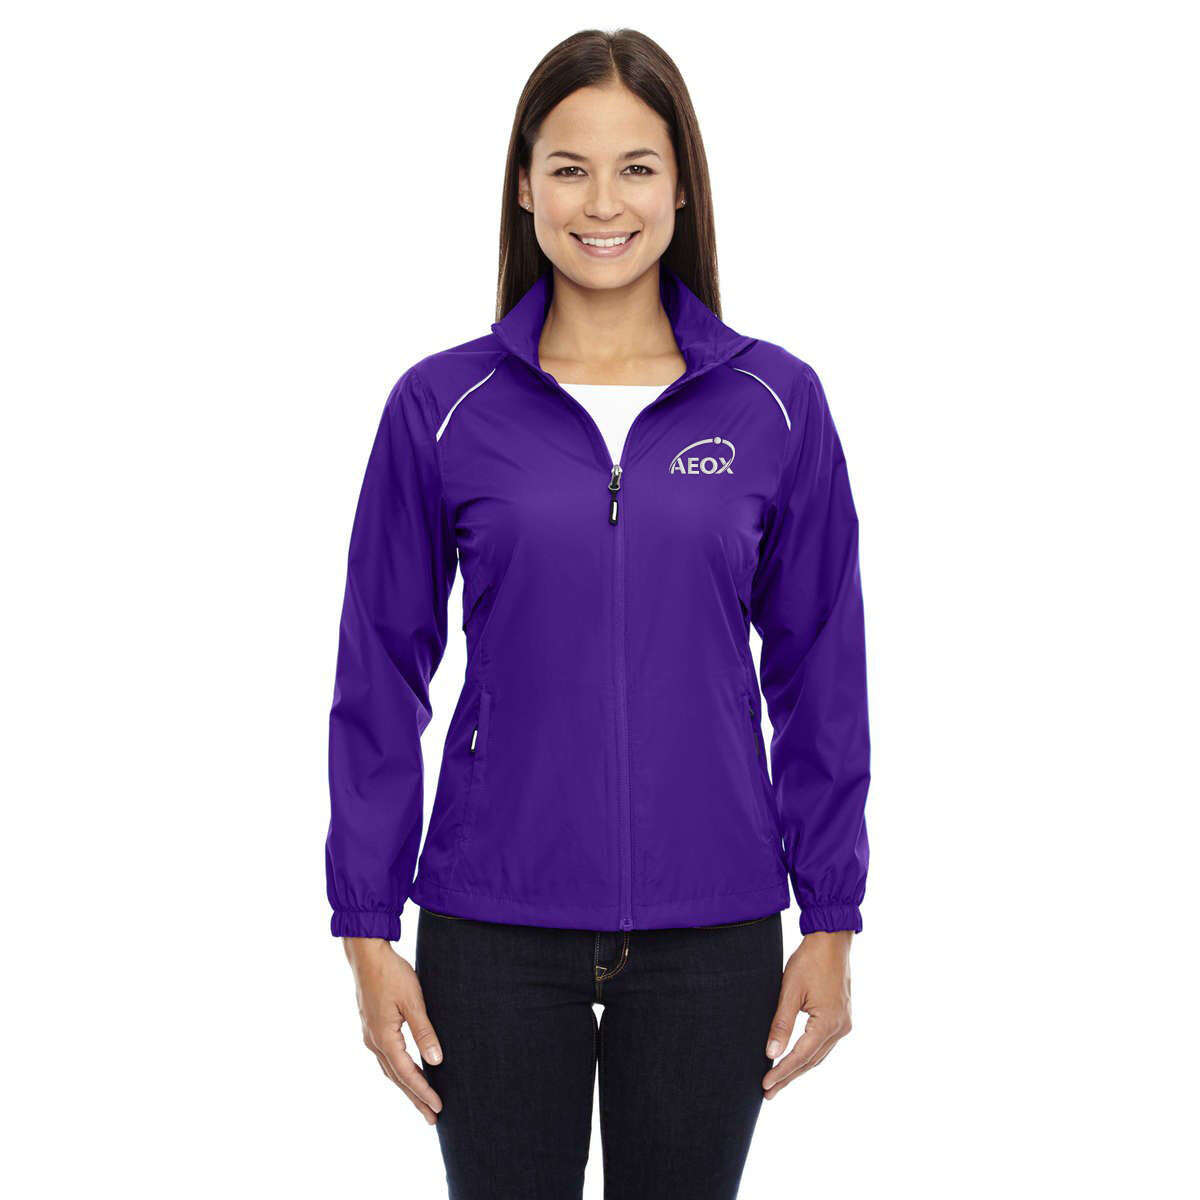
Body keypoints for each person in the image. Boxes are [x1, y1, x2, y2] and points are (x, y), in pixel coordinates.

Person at [326, 27, 870, 1200]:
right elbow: (378, 673)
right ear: (525, 186)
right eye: (570, 168)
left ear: (682, 187)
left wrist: (832, 916)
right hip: (491, 927)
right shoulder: (442, 405)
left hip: (712, 928)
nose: (604, 202)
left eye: (636, 167)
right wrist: (365, 928)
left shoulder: (776, 401)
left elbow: (822, 672)